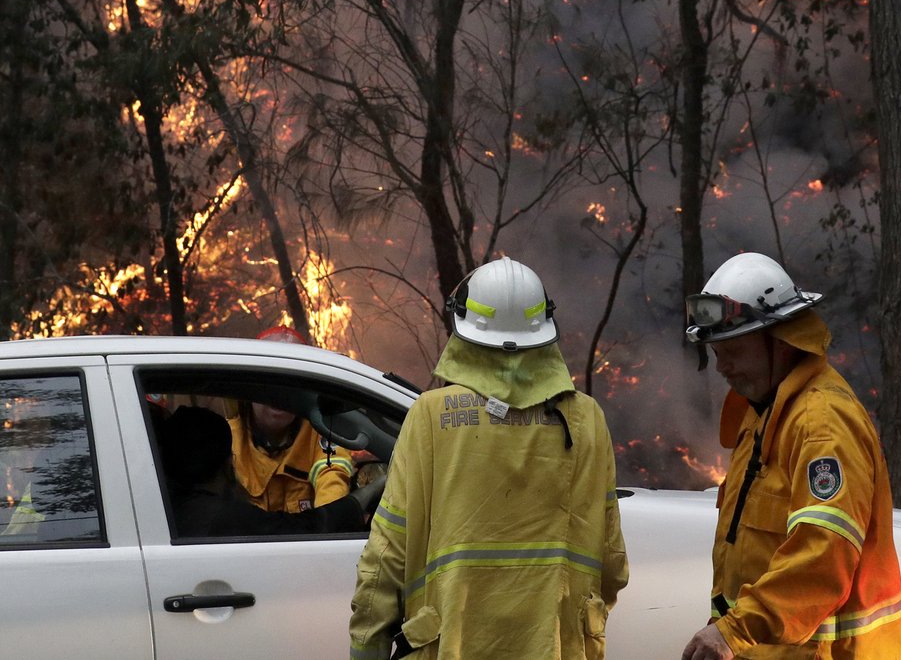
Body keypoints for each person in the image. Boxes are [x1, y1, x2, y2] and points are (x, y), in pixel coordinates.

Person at [349, 257, 629, 660]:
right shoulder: (586, 419)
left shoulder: (431, 416)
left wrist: (366, 647)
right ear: (545, 331)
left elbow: (386, 555)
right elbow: (612, 561)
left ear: (462, 331)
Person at [680, 252, 901, 659]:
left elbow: (823, 554)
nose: (722, 367)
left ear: (780, 339)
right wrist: (727, 630)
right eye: (717, 353)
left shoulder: (822, 424)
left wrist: (735, 630)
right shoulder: (763, 417)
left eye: (733, 349)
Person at [159, 405, 371, 537]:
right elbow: (305, 530)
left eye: (288, 389)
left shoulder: (320, 435)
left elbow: (331, 475)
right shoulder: (227, 437)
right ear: (227, 466)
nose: (279, 399)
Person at [228, 324, 356, 513]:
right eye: (270, 380)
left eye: (291, 382)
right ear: (250, 388)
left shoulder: (321, 435)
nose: (280, 394)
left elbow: (332, 481)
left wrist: (330, 528)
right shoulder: (227, 439)